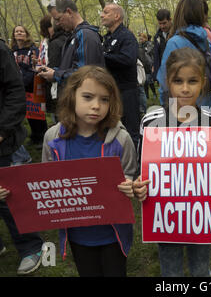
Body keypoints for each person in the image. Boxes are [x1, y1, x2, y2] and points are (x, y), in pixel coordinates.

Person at [133, 47, 211, 277]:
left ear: (203, 83)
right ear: (168, 82)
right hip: (165, 215)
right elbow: (143, 168)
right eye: (178, 81)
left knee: (200, 268)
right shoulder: (151, 121)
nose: (185, 88)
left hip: (201, 217)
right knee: (170, 270)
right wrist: (140, 184)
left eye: (192, 81)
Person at [41, 65, 137, 277]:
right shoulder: (52, 139)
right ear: (71, 96)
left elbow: (129, 173)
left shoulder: (122, 139)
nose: (96, 106)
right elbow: (44, 182)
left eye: (104, 99)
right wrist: (14, 193)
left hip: (113, 234)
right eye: (88, 97)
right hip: (77, 234)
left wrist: (129, 185)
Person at [0, 38, 44, 275]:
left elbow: (15, 92)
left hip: (3, 142)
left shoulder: (1, 50)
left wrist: (3, 131)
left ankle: (31, 248)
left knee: (7, 197)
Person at [157, 0, 211, 108]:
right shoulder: (206, 40)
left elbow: (165, 82)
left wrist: (166, 106)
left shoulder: (174, 42)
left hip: (182, 109)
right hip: (205, 104)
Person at [38, 0, 105, 91]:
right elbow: (72, 67)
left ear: (69, 12)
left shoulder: (85, 35)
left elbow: (86, 74)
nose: (57, 24)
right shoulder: (75, 35)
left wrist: (56, 75)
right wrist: (54, 71)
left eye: (58, 19)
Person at [100, 3, 141, 146]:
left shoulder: (126, 36)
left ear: (117, 16)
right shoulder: (108, 38)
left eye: (106, 12)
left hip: (126, 92)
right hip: (111, 91)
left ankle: (134, 165)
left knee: (130, 132)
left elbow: (128, 59)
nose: (101, 15)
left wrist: (103, 56)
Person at [11, 25, 47, 148]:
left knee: (38, 112)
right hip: (19, 87)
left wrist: (23, 81)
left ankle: (43, 136)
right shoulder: (13, 51)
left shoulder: (32, 49)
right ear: (14, 35)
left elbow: (34, 68)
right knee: (28, 113)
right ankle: (34, 136)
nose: (19, 33)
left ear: (26, 34)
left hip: (32, 85)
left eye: (22, 31)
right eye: (17, 31)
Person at [153, 9, 172, 84]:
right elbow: (156, 56)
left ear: (170, 20)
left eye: (164, 23)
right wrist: (156, 75)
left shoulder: (178, 33)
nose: (162, 26)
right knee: (167, 95)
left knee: (175, 95)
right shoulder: (157, 37)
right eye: (160, 24)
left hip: (176, 72)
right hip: (163, 74)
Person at [138, 32, 157, 100]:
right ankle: (147, 95)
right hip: (142, 66)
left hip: (149, 65)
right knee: (145, 82)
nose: (140, 39)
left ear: (145, 38)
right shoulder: (139, 45)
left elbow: (152, 55)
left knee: (150, 81)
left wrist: (153, 65)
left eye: (142, 38)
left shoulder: (149, 45)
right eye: (140, 38)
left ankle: (154, 93)